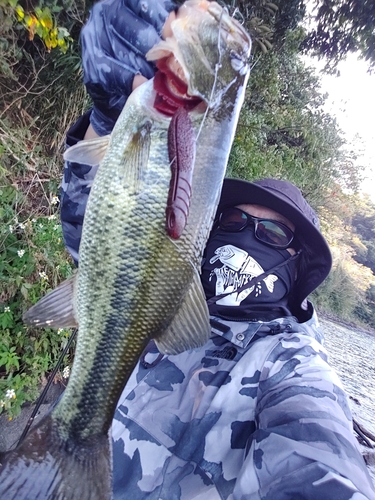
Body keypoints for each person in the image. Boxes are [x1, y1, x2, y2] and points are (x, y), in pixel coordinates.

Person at [60, 0, 375, 498]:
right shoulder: (168, 290)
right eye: (232, 220)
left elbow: (323, 462)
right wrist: (106, 118)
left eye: (273, 235)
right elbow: (102, 244)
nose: (246, 237)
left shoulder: (292, 369)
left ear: (298, 265)